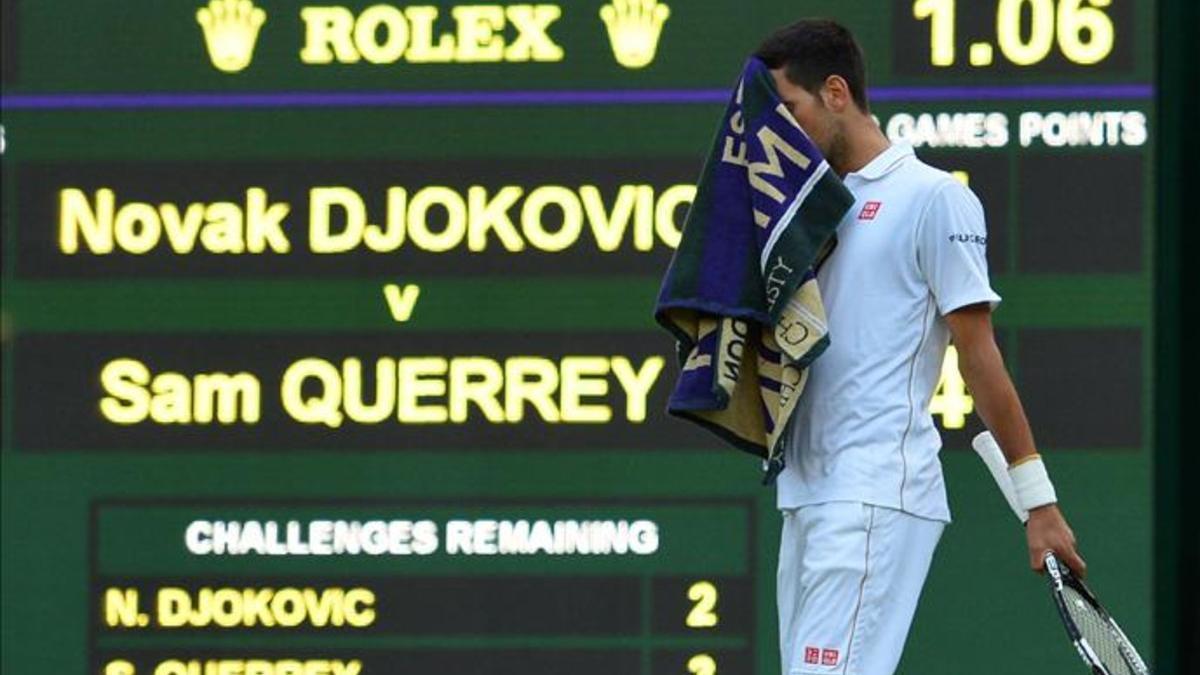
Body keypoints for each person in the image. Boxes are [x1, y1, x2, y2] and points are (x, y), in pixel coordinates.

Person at [757, 19, 1087, 675]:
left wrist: (1039, 502)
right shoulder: (803, 210)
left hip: (876, 491)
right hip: (806, 495)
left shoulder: (935, 198)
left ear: (835, 93)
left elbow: (979, 355)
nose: (780, 130)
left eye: (789, 109)